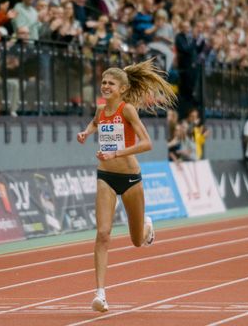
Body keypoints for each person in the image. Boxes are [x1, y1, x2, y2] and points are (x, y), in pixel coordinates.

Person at [76, 59, 177, 312]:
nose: (105, 86)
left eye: (111, 83)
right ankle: (100, 293)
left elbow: (147, 144)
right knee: (103, 234)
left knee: (136, 241)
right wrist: (86, 133)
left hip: (131, 178)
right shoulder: (100, 110)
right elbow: (95, 122)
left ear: (122, 88)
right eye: (103, 82)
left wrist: (117, 153)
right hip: (105, 177)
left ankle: (146, 227)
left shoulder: (128, 109)